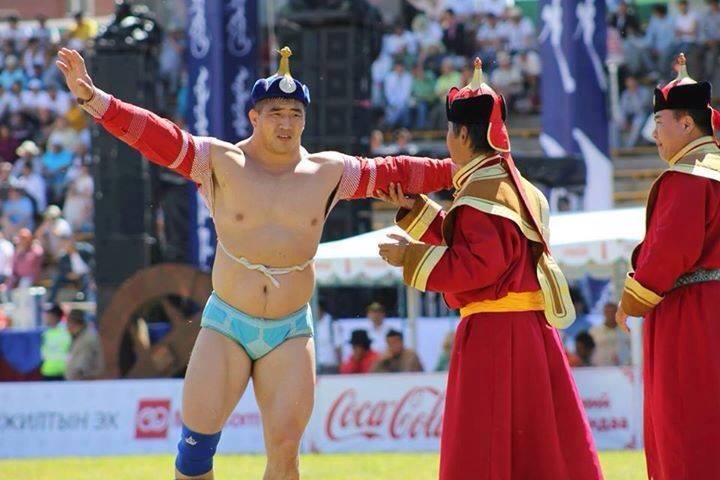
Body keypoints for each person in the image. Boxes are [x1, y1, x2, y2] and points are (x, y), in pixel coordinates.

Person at [58, 46, 455, 479]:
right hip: (227, 323)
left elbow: (399, 170)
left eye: (295, 114)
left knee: (285, 455)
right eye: (276, 113)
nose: (286, 123)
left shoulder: (330, 172)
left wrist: (469, 169)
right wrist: (95, 100)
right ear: (254, 117)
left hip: (290, 329)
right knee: (194, 456)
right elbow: (159, 137)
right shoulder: (219, 161)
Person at [378, 59, 602, 480]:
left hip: (495, 336)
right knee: (542, 449)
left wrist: (409, 257)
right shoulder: (517, 188)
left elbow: (478, 265)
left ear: (463, 134)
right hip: (533, 332)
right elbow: (478, 244)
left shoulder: (480, 194)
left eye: (450, 131)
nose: (448, 140)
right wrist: (416, 210)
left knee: (485, 449)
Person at [616, 54, 720, 480]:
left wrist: (630, 302)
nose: (654, 134)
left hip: (691, 316)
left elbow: (667, 253)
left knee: (685, 427)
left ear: (687, 124)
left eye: (659, 123)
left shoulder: (688, 177)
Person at [65, 309, 104, 380]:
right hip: (81, 380)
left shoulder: (87, 338)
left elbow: (83, 361)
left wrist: (78, 373)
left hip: (84, 381)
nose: (66, 326)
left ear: (73, 323)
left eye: (68, 323)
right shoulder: (79, 336)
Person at [40, 304, 71, 380]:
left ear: (55, 317)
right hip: (47, 371)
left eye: (48, 317)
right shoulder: (45, 333)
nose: (46, 319)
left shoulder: (67, 332)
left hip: (63, 372)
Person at [314, 301, 342, 374]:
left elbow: (338, 346)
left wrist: (341, 368)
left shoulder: (332, 323)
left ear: (320, 308)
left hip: (330, 367)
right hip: (315, 368)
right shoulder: (312, 322)